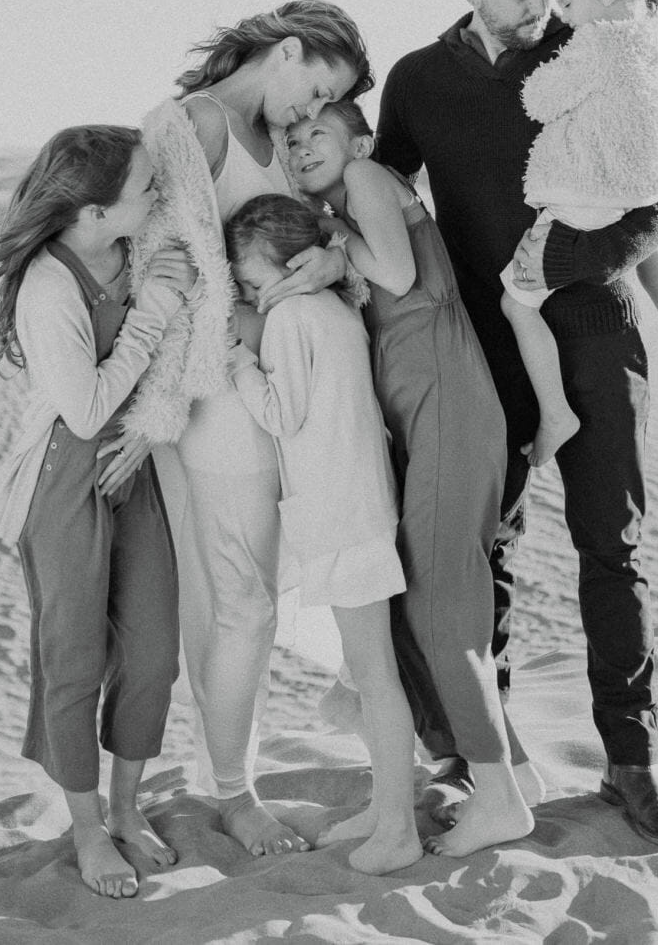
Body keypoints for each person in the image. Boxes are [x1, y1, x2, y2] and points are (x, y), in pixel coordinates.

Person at [375, 0, 658, 849]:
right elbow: (383, 192)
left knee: (614, 546)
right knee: (480, 553)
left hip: (595, 321)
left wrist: (579, 262)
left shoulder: (593, 51)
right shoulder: (419, 79)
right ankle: (484, 761)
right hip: (481, 345)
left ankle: (633, 761)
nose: (535, 7)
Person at [96, 1, 372, 858]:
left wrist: (331, 256)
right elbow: (163, 271)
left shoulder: (275, 141)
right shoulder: (197, 126)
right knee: (238, 605)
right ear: (286, 49)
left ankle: (232, 779)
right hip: (214, 403)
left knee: (243, 600)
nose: (309, 111)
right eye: (315, 84)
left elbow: (299, 239)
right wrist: (162, 406)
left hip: (276, 402)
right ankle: (234, 795)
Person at [285, 100, 538, 856]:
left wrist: (334, 245)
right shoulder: (346, 205)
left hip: (447, 404)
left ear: (358, 140)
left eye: (316, 133)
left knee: (438, 610)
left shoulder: (365, 178)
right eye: (291, 140)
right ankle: (515, 776)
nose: (302, 147)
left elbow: (393, 271)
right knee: (414, 609)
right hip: (418, 413)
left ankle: (499, 802)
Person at [0, 126, 193, 899]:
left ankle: (129, 808)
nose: (156, 196)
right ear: (96, 211)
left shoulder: (134, 247)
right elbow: (88, 406)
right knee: (72, 661)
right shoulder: (47, 287)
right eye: (143, 188)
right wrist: (155, 309)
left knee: (155, 651)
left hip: (133, 465)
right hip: (64, 478)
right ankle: (88, 827)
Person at [223, 192, 422, 875]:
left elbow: (282, 414)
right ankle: (383, 805)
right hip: (359, 501)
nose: (249, 292)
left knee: (375, 676)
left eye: (251, 279)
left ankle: (397, 824)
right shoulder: (336, 306)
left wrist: (239, 363)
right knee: (367, 675)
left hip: (341, 512)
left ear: (286, 262)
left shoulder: (288, 318)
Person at [500, 0, 658, 467]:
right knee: (647, 245)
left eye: (567, 4)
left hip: (580, 198)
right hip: (638, 192)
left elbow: (539, 100)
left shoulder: (596, 45)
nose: (561, 17)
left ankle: (555, 412)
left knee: (516, 303)